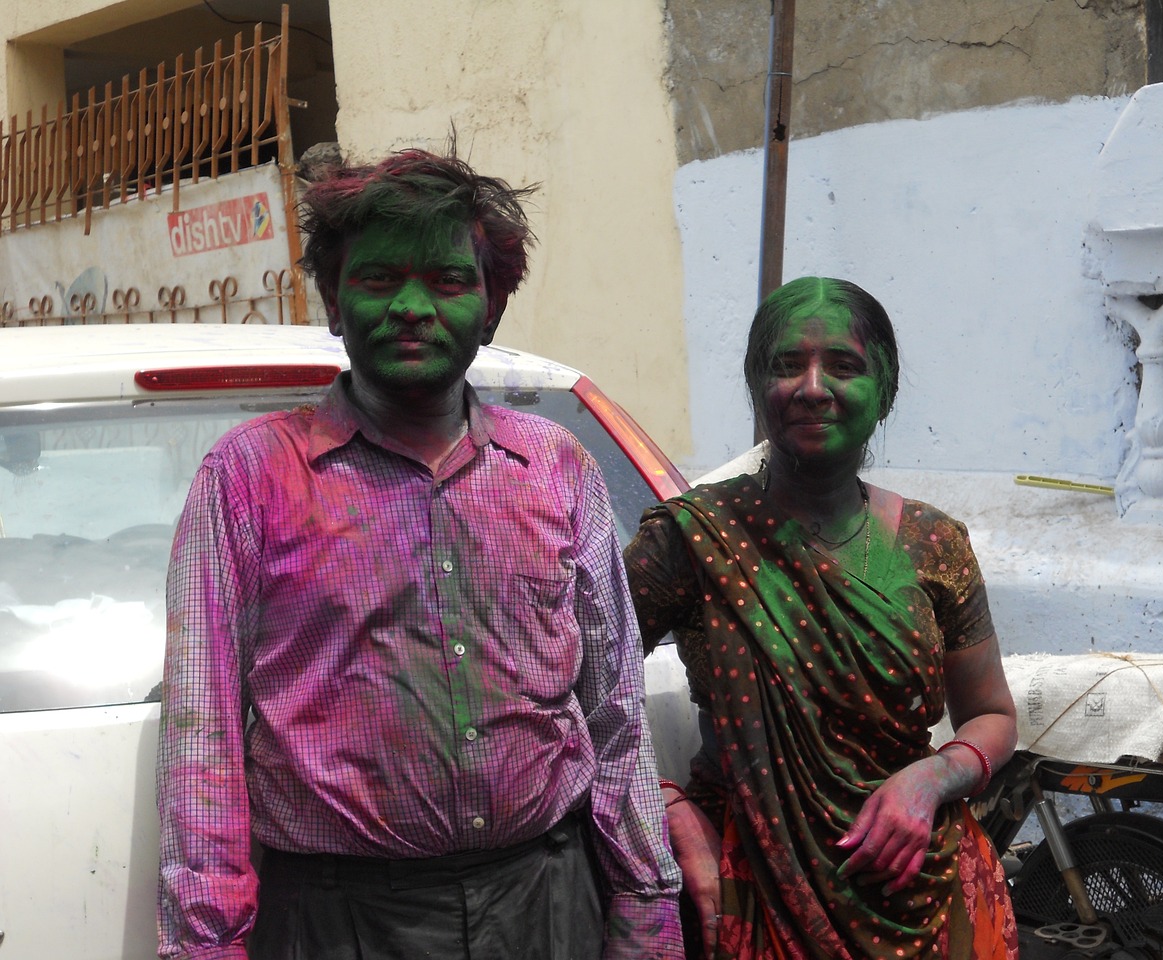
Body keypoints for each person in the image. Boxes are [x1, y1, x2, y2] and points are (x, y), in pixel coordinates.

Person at [156, 146, 683, 960]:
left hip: (547, 903)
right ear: (333, 300)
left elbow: (614, 713)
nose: (411, 306)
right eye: (376, 280)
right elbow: (205, 738)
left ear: (492, 306)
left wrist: (648, 908)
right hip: (340, 921)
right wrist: (206, 945)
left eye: (447, 280)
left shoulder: (555, 468)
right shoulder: (249, 477)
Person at [625, 276, 1019, 959]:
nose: (812, 386)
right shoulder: (692, 539)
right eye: (786, 365)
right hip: (750, 888)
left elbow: (992, 715)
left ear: (884, 389)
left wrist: (930, 779)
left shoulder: (935, 543)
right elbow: (569, 692)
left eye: (844, 365)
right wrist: (660, 804)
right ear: (756, 387)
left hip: (926, 890)